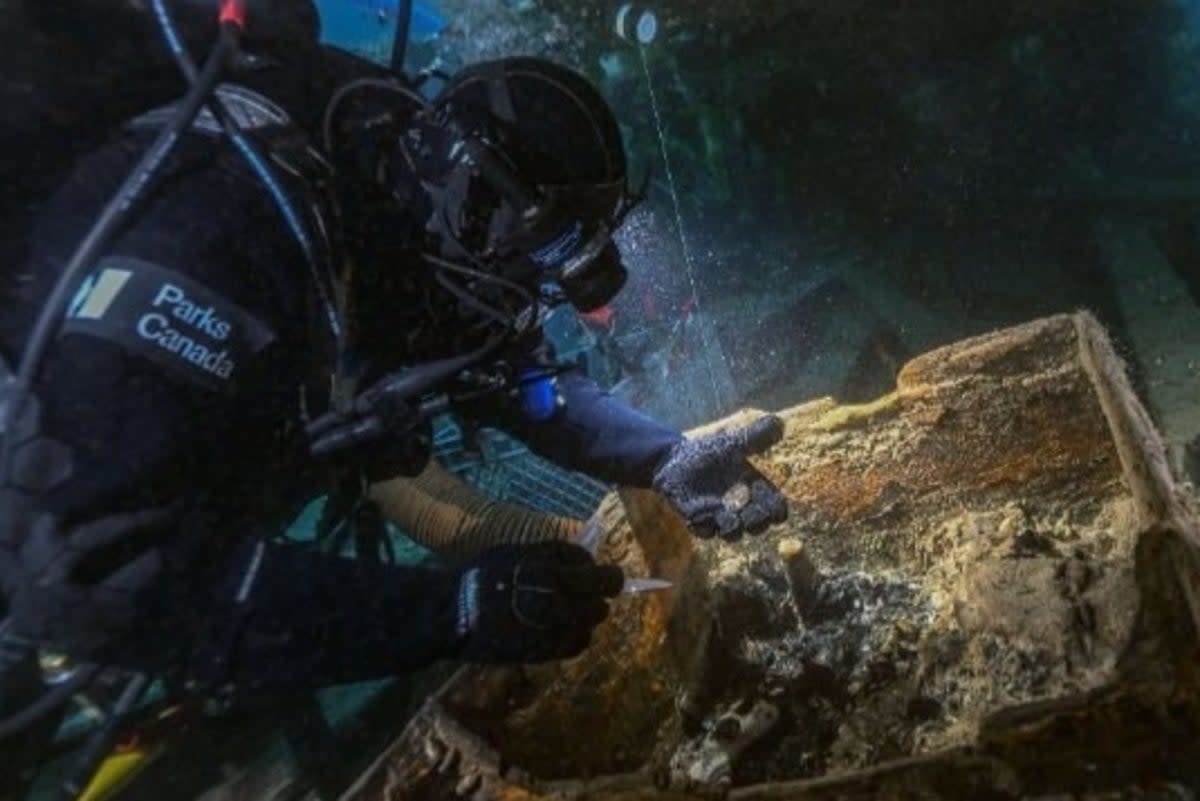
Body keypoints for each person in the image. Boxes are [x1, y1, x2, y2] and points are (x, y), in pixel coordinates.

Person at [0, 0, 788, 765]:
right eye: (542, 258)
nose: (539, 297)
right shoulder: (222, 222)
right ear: (473, 197)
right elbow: (93, 575)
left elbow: (511, 379)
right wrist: (455, 609)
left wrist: (660, 455)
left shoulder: (394, 184)